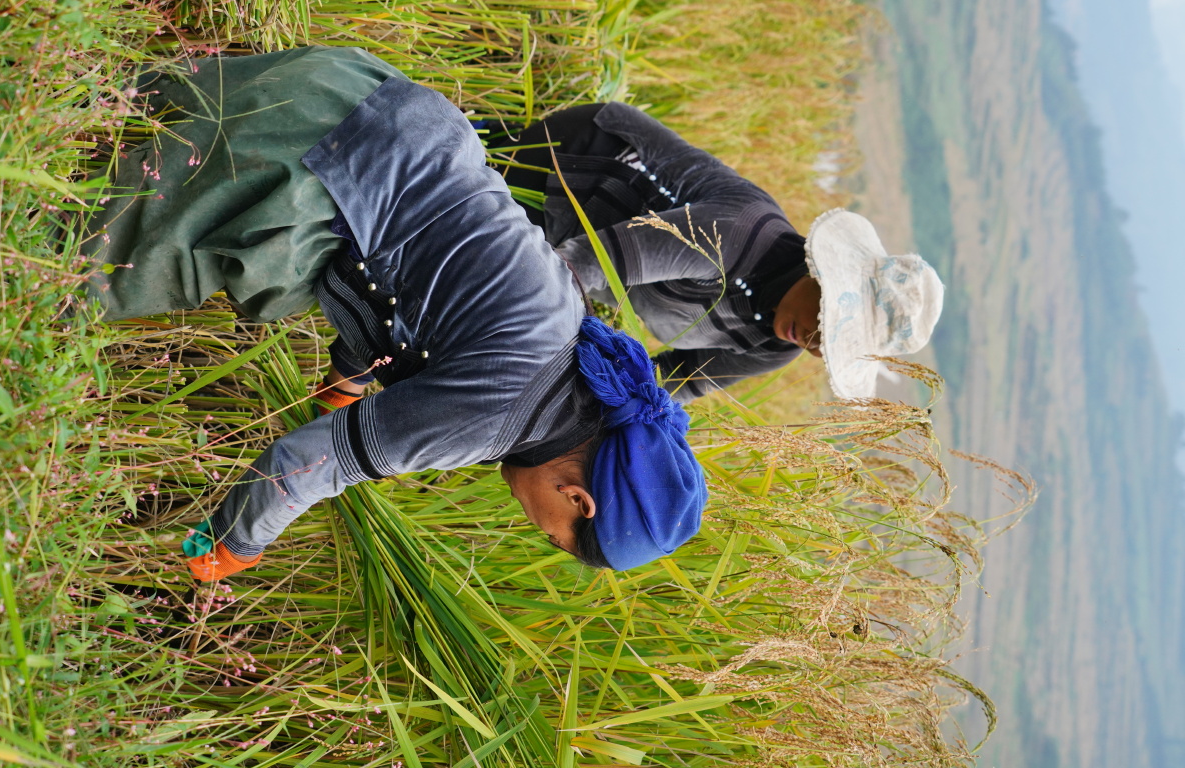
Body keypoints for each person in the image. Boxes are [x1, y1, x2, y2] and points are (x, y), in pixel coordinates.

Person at [81, 47, 707, 580]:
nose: (534, 526)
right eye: (554, 536)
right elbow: (304, 466)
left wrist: (349, 381)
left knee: (102, 104)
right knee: (72, 274)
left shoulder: (571, 342)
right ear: (578, 499)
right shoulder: (498, 419)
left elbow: (423, 293)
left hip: (364, 92)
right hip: (313, 165)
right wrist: (229, 549)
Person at [485, 104, 945, 402]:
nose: (814, 341)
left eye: (832, 346)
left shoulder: (773, 345)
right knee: (477, 221)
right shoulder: (738, 237)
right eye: (828, 323)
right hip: (577, 168)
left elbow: (673, 380)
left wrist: (603, 406)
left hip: (597, 254)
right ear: (824, 279)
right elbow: (582, 262)